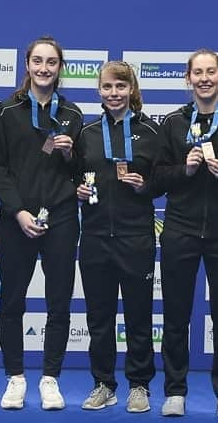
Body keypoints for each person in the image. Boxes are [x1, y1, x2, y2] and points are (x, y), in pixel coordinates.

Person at [153, 49, 218, 418]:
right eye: (198, 72)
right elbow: (158, 178)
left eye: (211, 71)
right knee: (176, 315)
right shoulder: (174, 123)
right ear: (188, 78)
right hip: (180, 229)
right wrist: (186, 170)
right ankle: (174, 391)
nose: (205, 78)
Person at [0, 36, 82, 410]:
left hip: (60, 217)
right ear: (26, 64)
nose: (44, 68)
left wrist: (70, 153)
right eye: (38, 61)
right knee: (12, 301)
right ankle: (14, 378)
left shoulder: (72, 114)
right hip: (17, 219)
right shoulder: (5, 111)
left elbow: (80, 173)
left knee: (59, 302)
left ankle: (50, 379)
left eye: (52, 62)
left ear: (60, 68)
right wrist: (18, 211)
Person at [75, 61, 159, 413]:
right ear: (99, 91)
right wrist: (75, 190)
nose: (114, 94)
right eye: (108, 87)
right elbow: (70, 176)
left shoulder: (152, 132)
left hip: (135, 237)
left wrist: (148, 186)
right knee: (99, 318)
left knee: (139, 316)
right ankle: (103, 383)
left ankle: (139, 385)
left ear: (131, 90)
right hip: (95, 237)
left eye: (121, 87)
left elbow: (168, 178)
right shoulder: (87, 133)